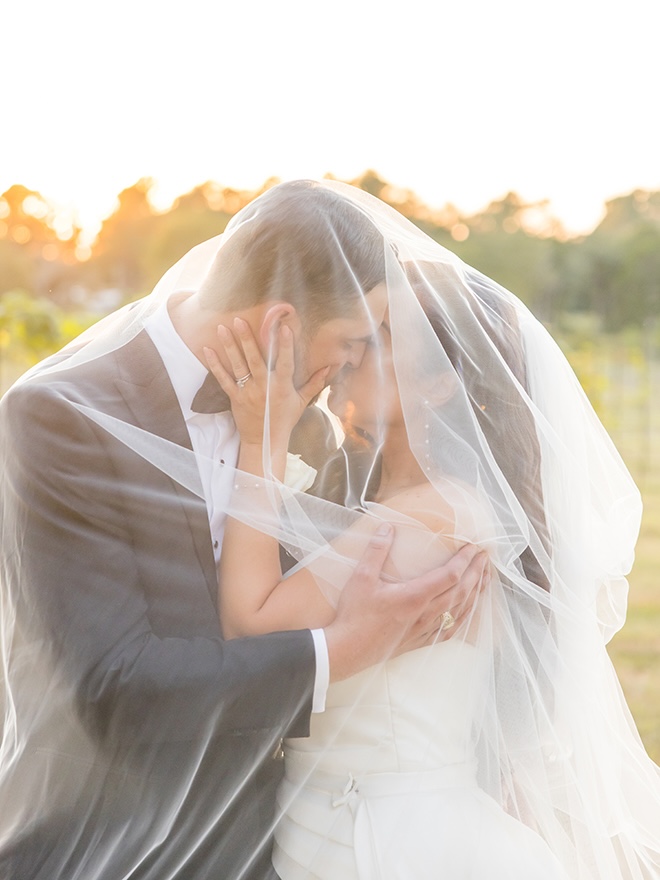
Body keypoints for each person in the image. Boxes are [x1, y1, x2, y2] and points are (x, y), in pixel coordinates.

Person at [0, 182, 488, 880]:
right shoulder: (59, 418)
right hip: (100, 845)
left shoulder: (314, 428)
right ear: (279, 326)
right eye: (350, 342)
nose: (348, 368)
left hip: (272, 845)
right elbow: (114, 688)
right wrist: (343, 649)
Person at [203, 182, 660, 878]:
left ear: (442, 383)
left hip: (394, 844)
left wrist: (260, 442)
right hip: (329, 821)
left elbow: (254, 623)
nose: (352, 349)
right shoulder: (376, 492)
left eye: (379, 338)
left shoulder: (443, 515)